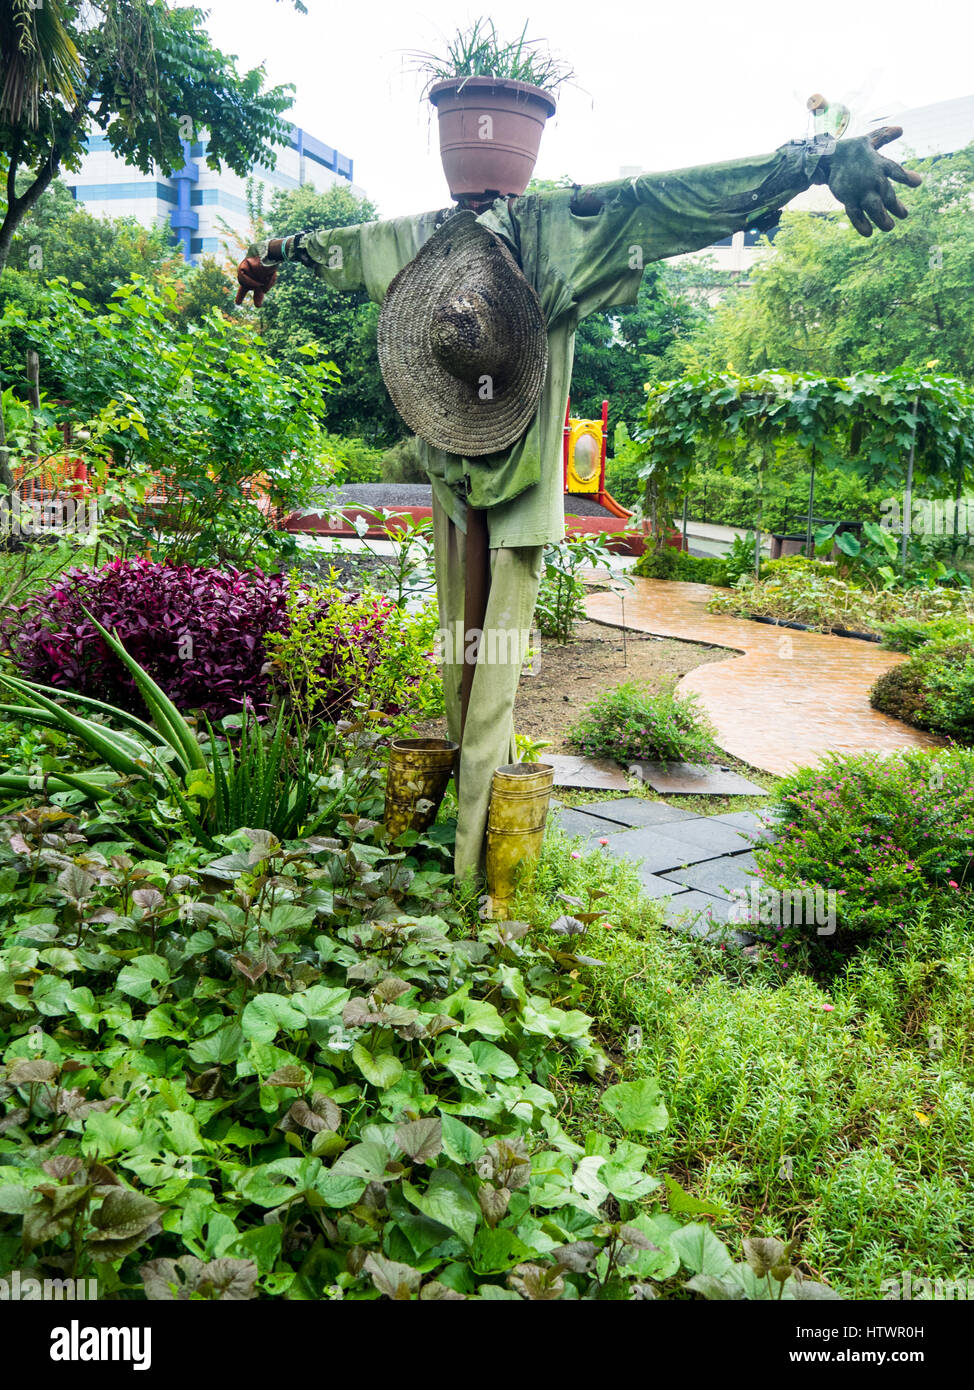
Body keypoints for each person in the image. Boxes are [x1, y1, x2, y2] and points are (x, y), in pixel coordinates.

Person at [237, 127, 921, 882]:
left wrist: (809, 164)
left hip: (517, 481)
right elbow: (328, 246)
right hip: (456, 482)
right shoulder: (420, 242)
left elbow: (671, 200)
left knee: (490, 664)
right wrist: (275, 253)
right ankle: (473, 846)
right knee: (463, 659)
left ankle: (477, 853)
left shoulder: (550, 233)